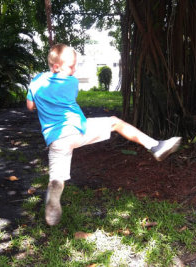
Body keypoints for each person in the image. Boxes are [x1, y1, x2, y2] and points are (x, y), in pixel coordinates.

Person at [26, 43, 181, 226]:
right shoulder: (71, 82)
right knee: (115, 122)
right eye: (71, 66)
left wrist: (40, 99)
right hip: (76, 131)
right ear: (57, 66)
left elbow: (30, 106)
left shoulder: (36, 81)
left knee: (57, 177)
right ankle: (155, 146)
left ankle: (52, 202)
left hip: (55, 139)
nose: (74, 70)